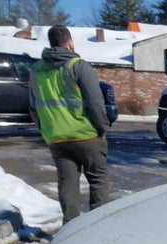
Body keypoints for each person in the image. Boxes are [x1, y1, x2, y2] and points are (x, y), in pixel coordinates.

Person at [29, 25, 110, 224]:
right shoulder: (78, 65)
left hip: (56, 137)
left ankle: (70, 229)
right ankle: (97, 227)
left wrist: (46, 130)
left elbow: (33, 106)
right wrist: (102, 127)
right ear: (70, 42)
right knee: (98, 180)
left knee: (68, 184)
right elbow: (95, 102)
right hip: (86, 135)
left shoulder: (36, 70)